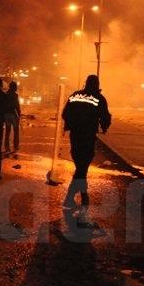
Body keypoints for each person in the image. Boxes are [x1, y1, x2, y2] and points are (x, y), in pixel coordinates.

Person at [61, 75, 111, 221]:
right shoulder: (99, 98)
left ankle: (79, 196)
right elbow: (105, 117)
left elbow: (65, 114)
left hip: (75, 136)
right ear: (97, 84)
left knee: (80, 165)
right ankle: (75, 197)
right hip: (88, 136)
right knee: (83, 166)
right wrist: (104, 126)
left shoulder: (75, 95)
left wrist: (73, 123)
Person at [3, 81, 21, 153]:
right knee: (16, 131)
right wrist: (19, 114)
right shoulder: (15, 95)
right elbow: (17, 105)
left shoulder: (6, 94)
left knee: (7, 131)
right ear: (14, 87)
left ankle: (7, 147)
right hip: (13, 115)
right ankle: (15, 146)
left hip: (6, 115)